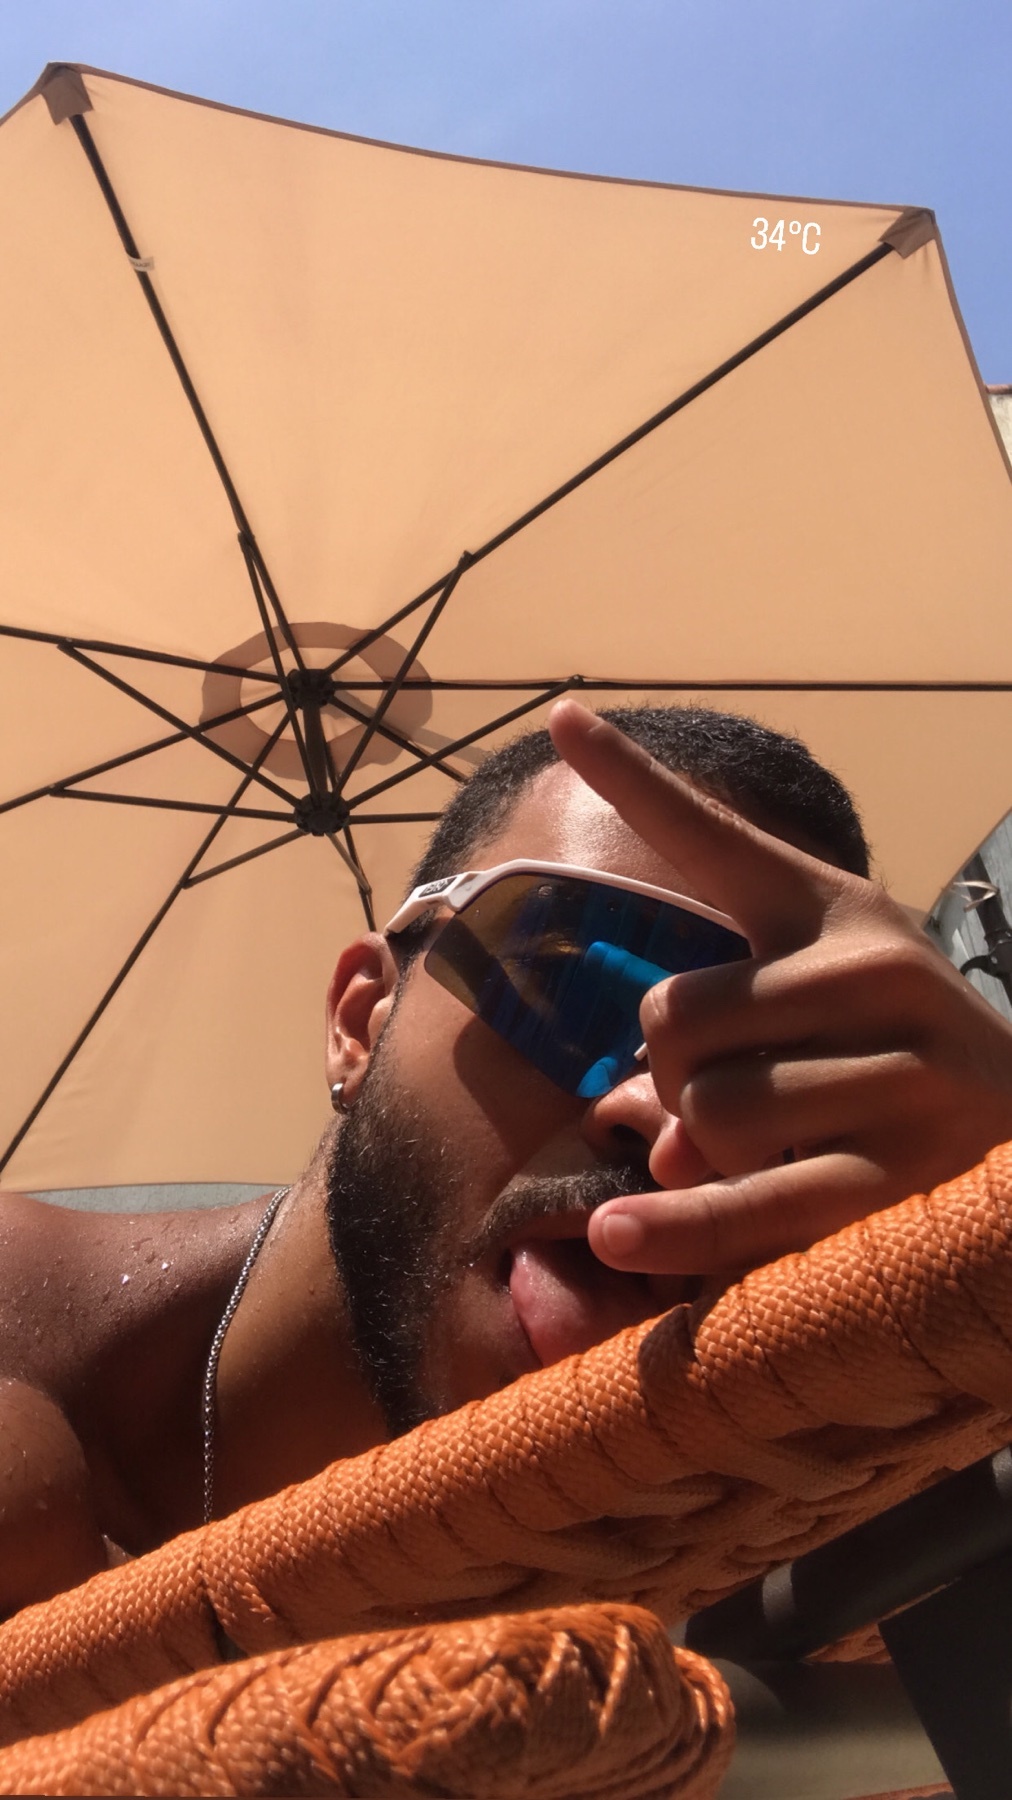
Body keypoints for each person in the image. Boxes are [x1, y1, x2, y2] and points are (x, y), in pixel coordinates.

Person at [3, 697, 1012, 1621]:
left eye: (780, 1076)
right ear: (361, 1019)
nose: (659, 1113)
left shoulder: (817, 1516)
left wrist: (984, 1250)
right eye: (580, 979)